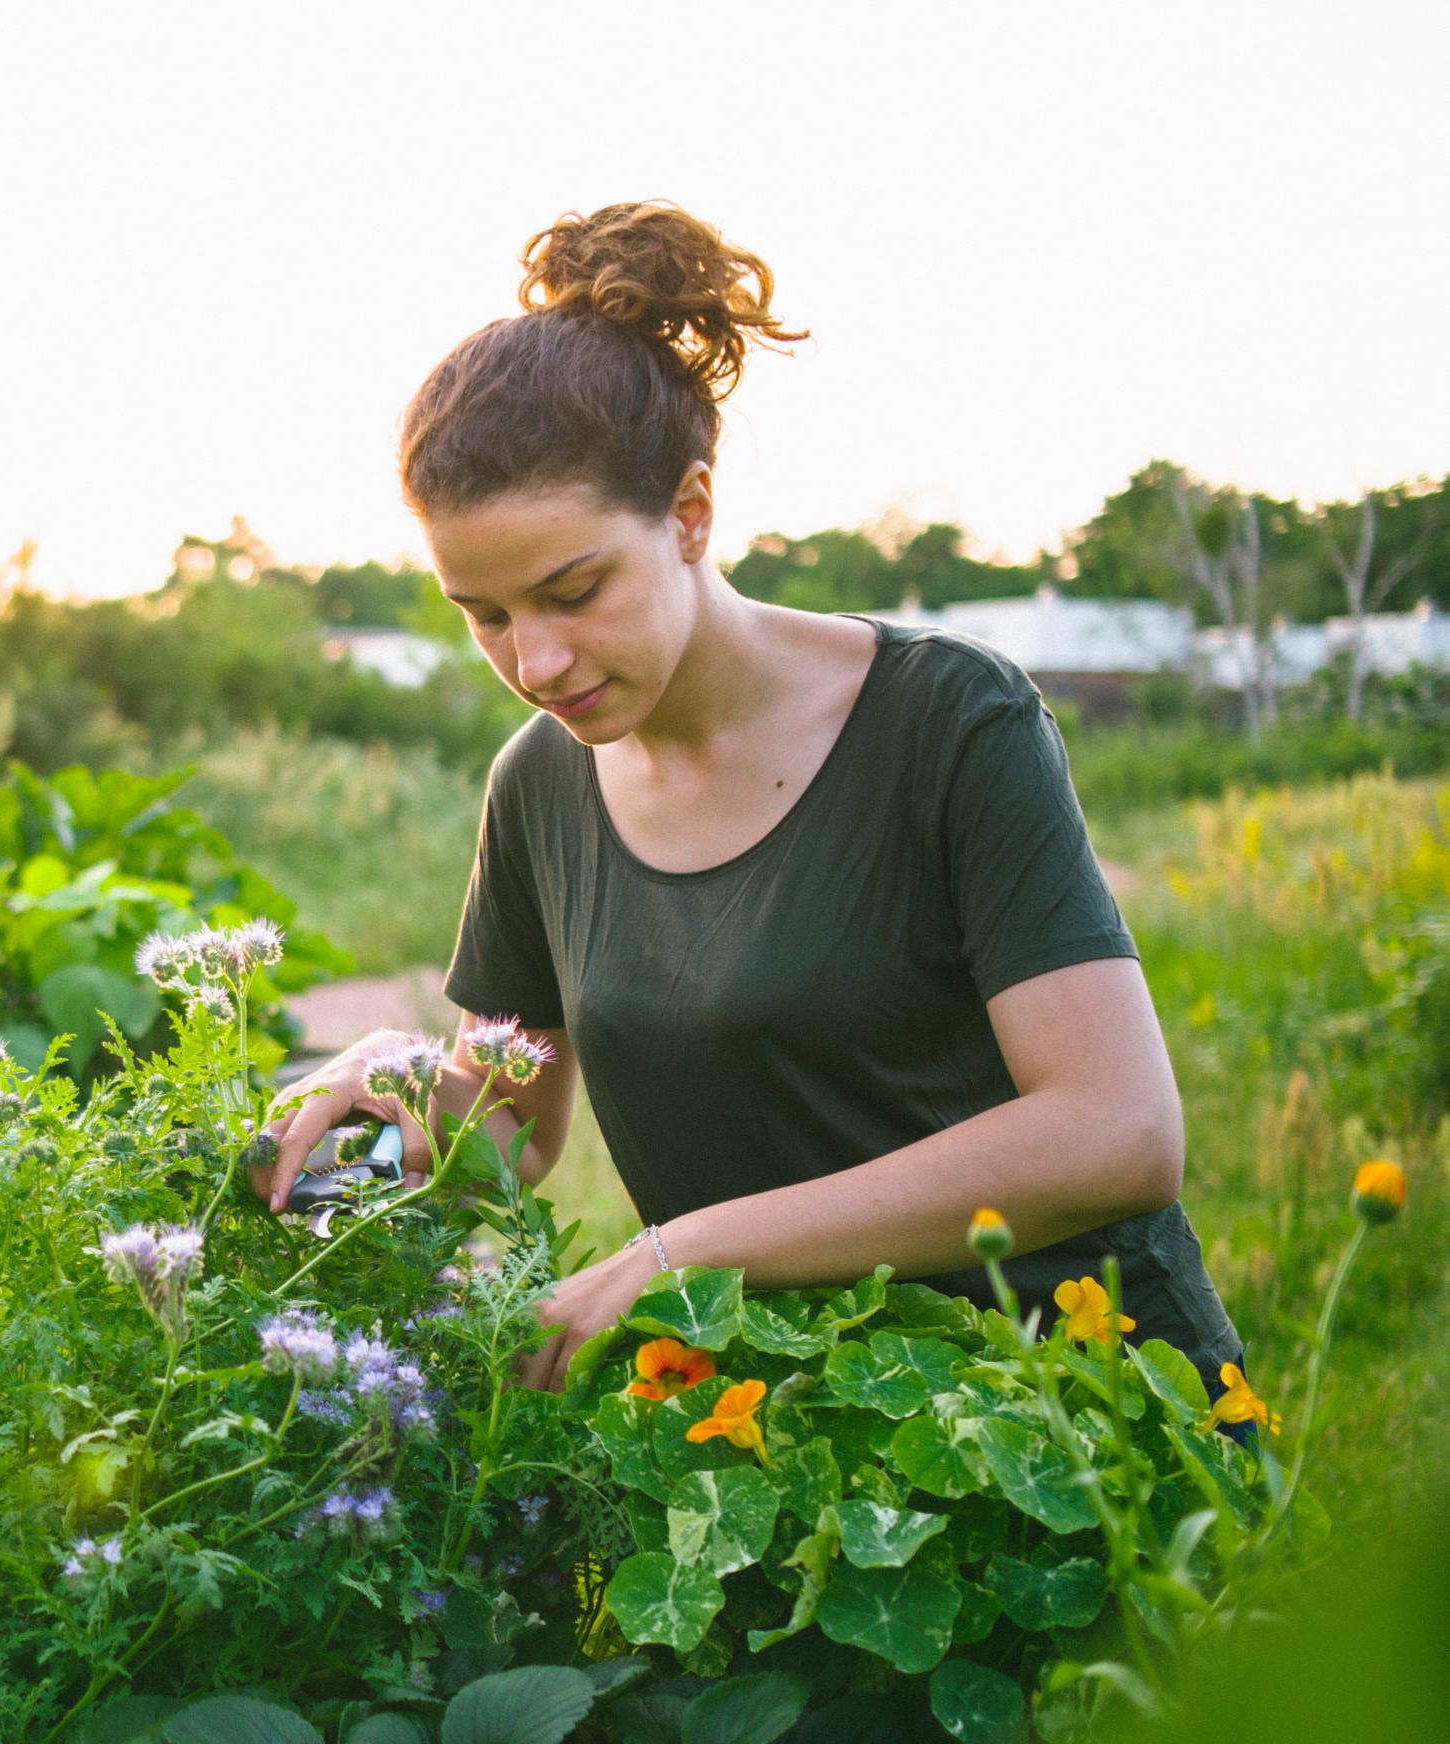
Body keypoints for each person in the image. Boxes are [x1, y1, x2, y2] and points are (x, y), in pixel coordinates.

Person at [253, 200, 1239, 1393]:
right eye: (488, 615)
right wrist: (406, 1079)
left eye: (572, 590)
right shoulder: (537, 783)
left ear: (688, 514)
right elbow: (508, 1129)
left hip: (1070, 1411)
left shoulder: (945, 721)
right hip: (777, 1431)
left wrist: (691, 1250)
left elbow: (1115, 1133)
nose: (535, 663)